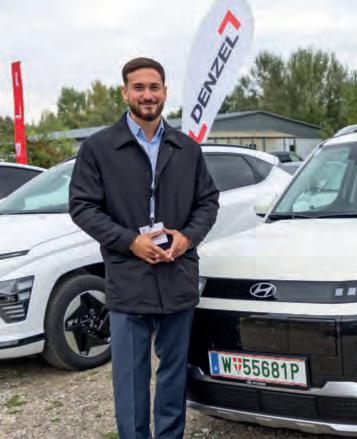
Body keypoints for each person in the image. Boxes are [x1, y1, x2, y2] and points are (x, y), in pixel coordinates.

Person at [69, 57, 219, 439]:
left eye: (154, 87)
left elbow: (208, 201)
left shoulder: (187, 148)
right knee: (131, 380)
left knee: (173, 375)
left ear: (165, 92)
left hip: (177, 274)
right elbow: (82, 206)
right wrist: (130, 242)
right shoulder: (99, 148)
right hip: (128, 278)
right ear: (125, 92)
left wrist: (187, 236)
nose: (147, 95)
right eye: (139, 87)